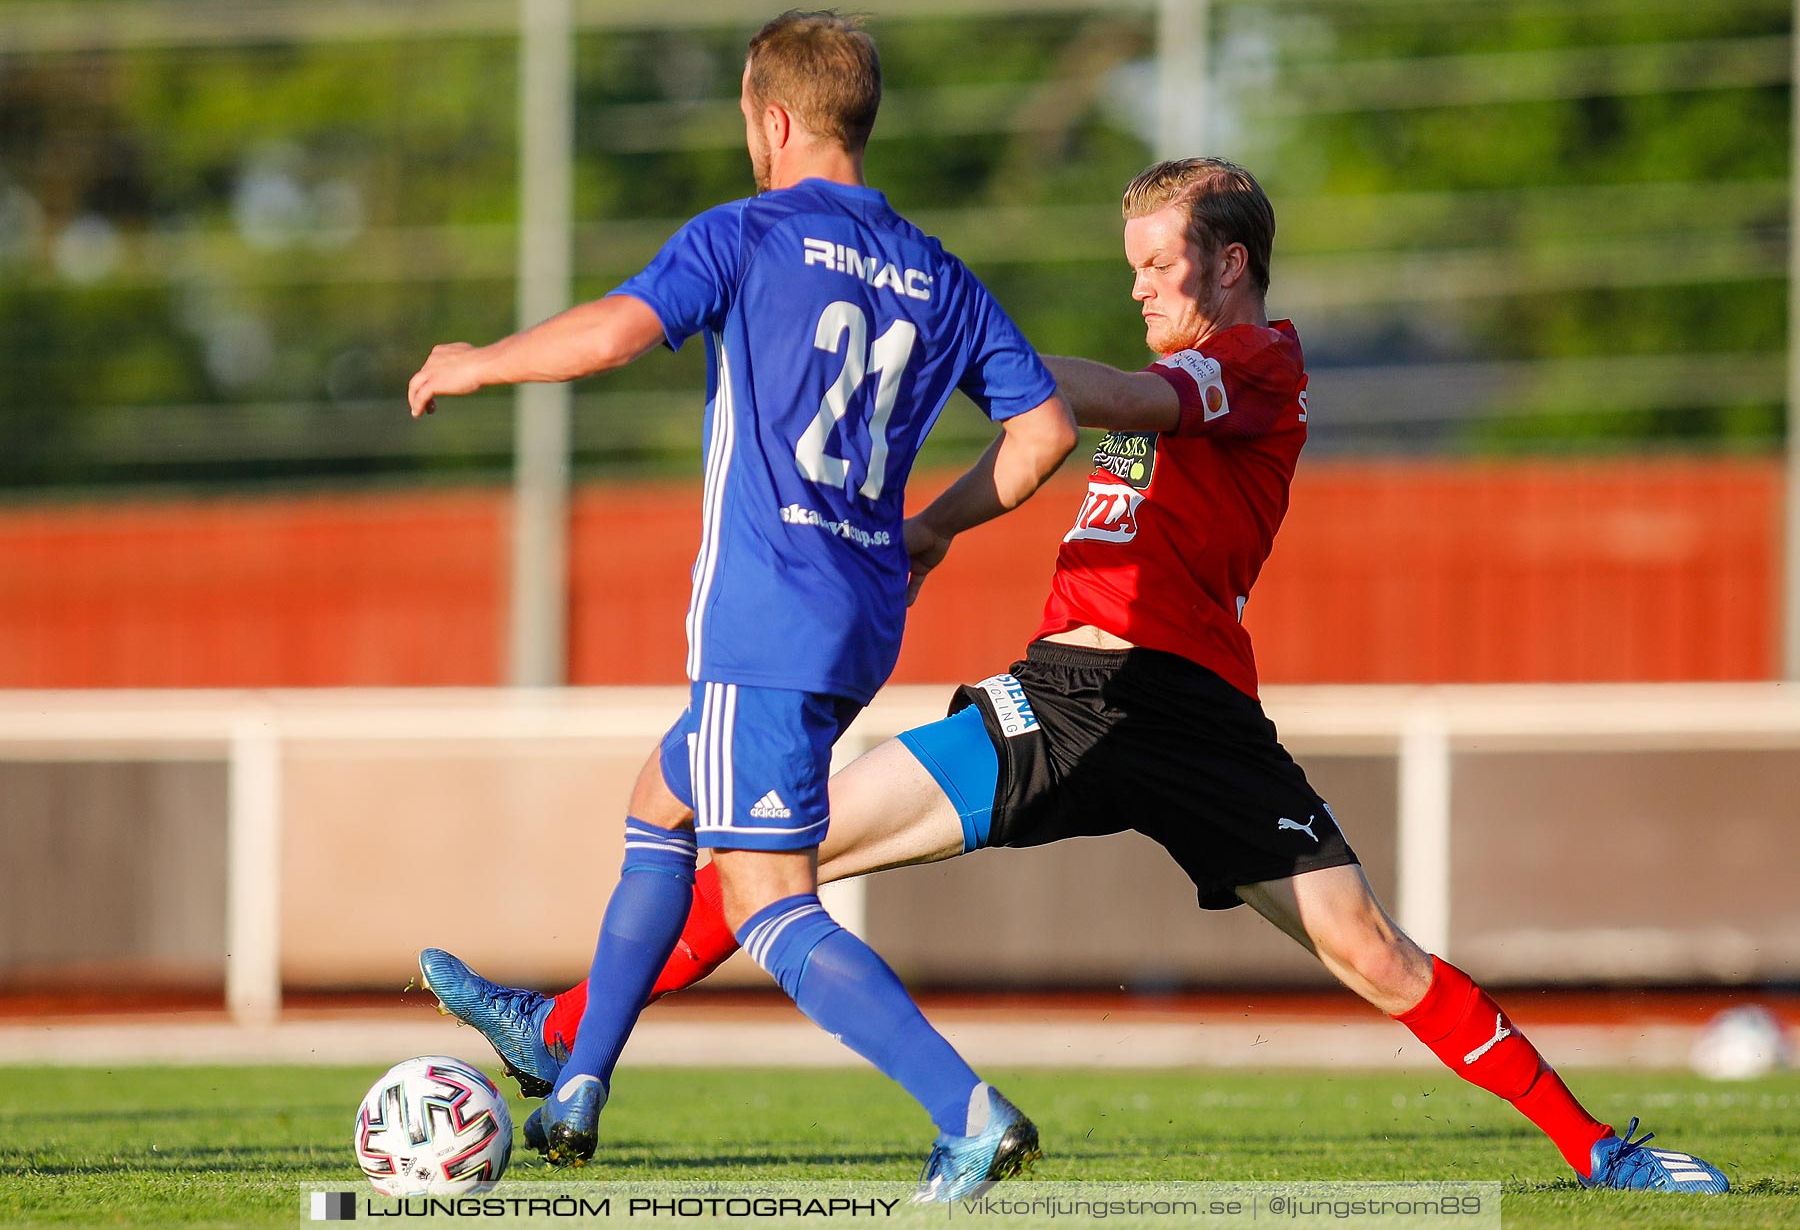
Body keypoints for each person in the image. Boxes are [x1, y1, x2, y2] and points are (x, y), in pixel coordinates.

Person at [421, 158, 1731, 1195]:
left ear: (1230, 261)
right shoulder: (1182, 369)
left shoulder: (1256, 364)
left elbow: (1108, 399)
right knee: (784, 853)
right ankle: (561, 1029)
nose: (1144, 289)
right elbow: (1049, 447)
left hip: (1205, 718)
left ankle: (1597, 1145)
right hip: (1069, 699)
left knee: (1367, 948)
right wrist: (932, 525)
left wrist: (967, 351)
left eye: (1160, 266)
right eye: (1133, 269)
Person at [407, 10, 1077, 1201]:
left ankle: (967, 1109)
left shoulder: (748, 233)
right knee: (661, 798)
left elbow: (615, 333)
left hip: (768, 613)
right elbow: (1046, 433)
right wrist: (931, 526)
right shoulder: (940, 272)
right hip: (861, 614)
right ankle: (575, 1068)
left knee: (768, 901)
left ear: (773, 120)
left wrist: (476, 360)